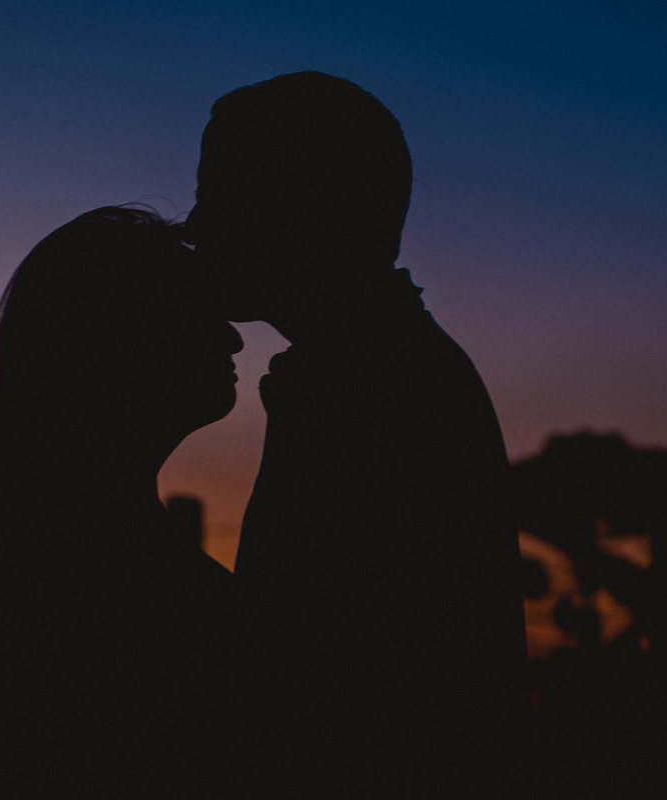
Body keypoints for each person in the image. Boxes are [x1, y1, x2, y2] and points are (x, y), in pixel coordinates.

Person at [185, 72, 528, 794]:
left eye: (217, 193)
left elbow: (319, 701)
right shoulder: (374, 371)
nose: (193, 224)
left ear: (300, 208)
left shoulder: (375, 392)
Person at [0, 207, 246, 798]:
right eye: (196, 311)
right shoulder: (101, 571)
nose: (233, 335)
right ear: (119, 338)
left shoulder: (61, 544)